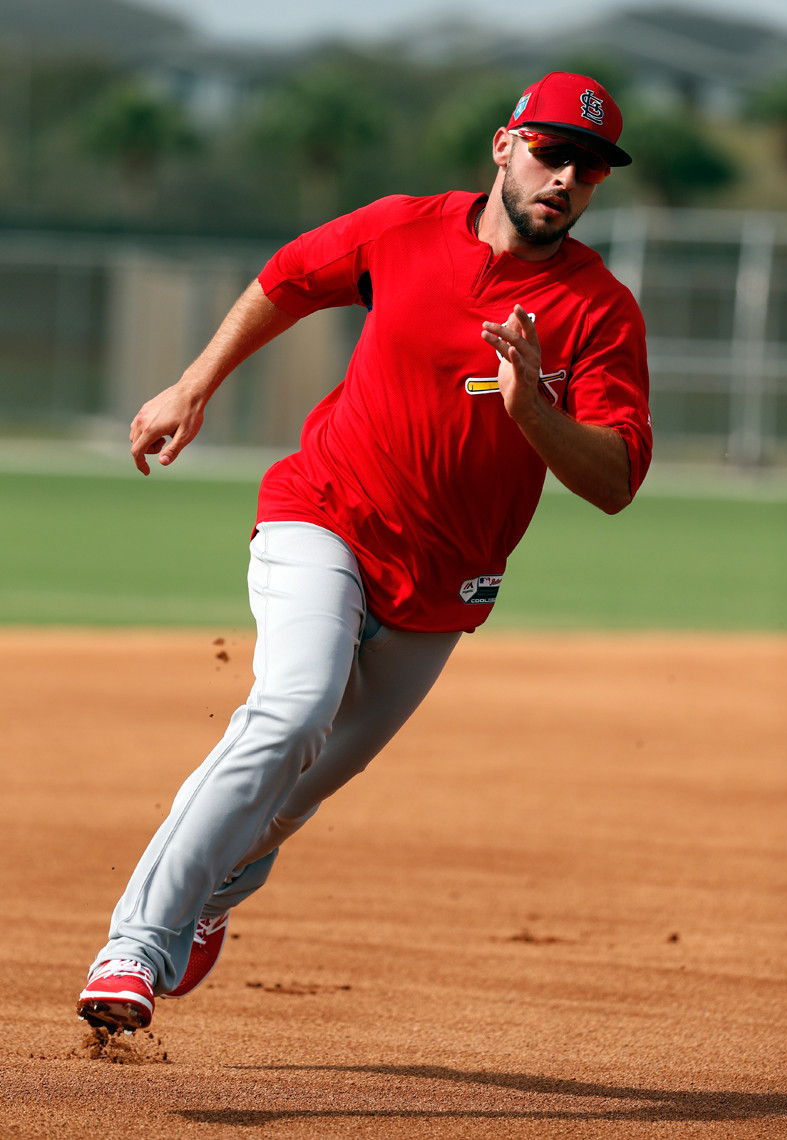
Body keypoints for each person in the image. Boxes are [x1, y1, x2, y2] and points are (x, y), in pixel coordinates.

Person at [77, 71, 652, 1033]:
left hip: (447, 584)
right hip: (326, 513)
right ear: (506, 145)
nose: (568, 177)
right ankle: (135, 944)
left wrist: (532, 409)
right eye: (552, 152)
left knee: (297, 792)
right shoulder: (402, 230)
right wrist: (192, 385)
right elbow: (287, 280)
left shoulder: (599, 312)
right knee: (293, 707)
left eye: (589, 167)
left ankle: (209, 893)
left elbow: (616, 478)